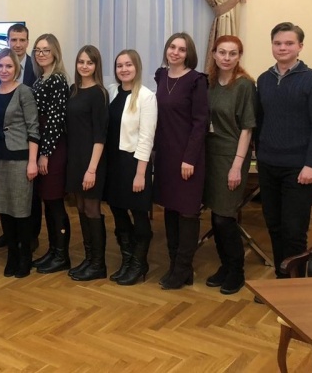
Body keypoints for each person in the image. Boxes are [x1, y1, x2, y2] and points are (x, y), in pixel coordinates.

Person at [256, 22, 312, 278]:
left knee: (294, 230)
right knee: (274, 226)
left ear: (300, 46)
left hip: (298, 169)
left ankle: (295, 284)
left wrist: (311, 164)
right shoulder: (264, 79)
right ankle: (281, 278)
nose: (282, 48)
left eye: (289, 43)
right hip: (267, 164)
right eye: (277, 43)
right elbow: (261, 121)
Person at [153, 32, 209, 290]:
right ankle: (176, 266)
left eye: (182, 49)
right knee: (170, 209)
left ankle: (183, 268)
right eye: (172, 47)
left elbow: (200, 123)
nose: (175, 52)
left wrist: (190, 158)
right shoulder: (161, 76)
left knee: (187, 212)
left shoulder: (197, 80)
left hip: (188, 157)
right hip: (165, 155)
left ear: (189, 54)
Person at [204, 35, 256, 295]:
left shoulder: (244, 85)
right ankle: (225, 266)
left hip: (232, 156)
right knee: (215, 215)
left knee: (225, 217)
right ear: (214, 54)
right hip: (210, 155)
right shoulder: (210, 83)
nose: (226, 58)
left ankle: (237, 270)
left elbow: (247, 129)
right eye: (222, 52)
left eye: (232, 53)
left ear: (239, 56)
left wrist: (237, 166)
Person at [105, 49, 157, 286]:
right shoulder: (112, 92)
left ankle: (139, 263)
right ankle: (127, 259)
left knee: (138, 214)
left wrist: (140, 174)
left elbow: (147, 137)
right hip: (113, 162)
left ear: (137, 67)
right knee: (117, 210)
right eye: (119, 65)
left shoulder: (146, 96)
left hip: (134, 163)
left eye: (128, 65)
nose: (124, 69)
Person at [0, 49, 40, 277]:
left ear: (16, 68)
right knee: (5, 209)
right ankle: (11, 255)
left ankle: (25, 256)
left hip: (21, 158)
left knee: (21, 210)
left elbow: (33, 128)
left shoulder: (24, 92)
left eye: (9, 66)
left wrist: (32, 162)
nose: (4, 70)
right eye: (0, 66)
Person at [65, 45, 109, 281]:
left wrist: (92, 170)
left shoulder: (99, 93)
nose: (84, 66)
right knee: (81, 208)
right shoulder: (74, 90)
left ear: (96, 66)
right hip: (75, 159)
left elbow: (100, 135)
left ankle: (99, 264)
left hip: (92, 161)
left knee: (92, 209)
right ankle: (89, 258)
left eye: (89, 62)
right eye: (81, 61)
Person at [28, 34, 70, 273]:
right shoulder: (40, 79)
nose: (41, 54)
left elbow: (55, 119)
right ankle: (53, 251)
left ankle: (62, 255)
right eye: (38, 50)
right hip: (43, 144)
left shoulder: (57, 79)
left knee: (55, 203)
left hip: (53, 148)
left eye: (46, 50)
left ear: (55, 52)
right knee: (48, 203)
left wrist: (45, 154)